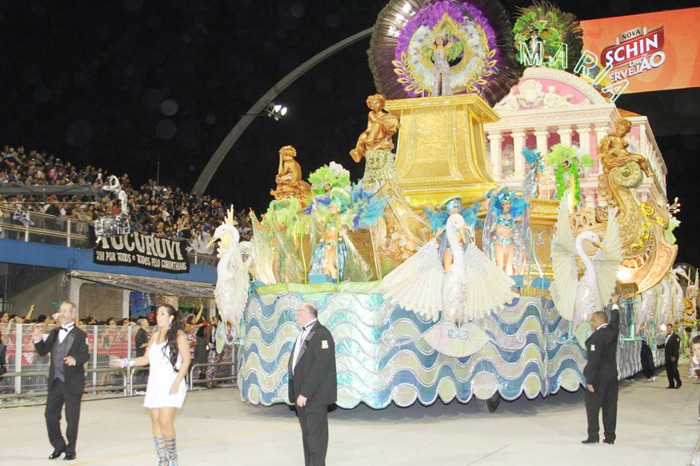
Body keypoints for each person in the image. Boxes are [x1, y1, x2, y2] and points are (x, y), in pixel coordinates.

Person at [111, 304, 190, 466]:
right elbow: (145, 359)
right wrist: (126, 362)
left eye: (162, 313)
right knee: (155, 420)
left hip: (171, 382)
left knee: (165, 422)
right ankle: (163, 459)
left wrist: (176, 383)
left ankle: (173, 457)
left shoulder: (179, 335)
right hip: (155, 383)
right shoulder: (154, 335)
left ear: (171, 317)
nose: (158, 316)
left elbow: (186, 360)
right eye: (157, 313)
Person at [32, 301, 89, 461]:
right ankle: (58, 446)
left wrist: (75, 359)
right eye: (61, 311)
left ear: (73, 314)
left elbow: (85, 355)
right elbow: (43, 351)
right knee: (50, 415)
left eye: (66, 311)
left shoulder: (80, 334)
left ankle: (71, 449)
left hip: (72, 382)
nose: (63, 313)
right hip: (56, 381)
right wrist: (37, 340)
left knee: (71, 419)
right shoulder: (55, 332)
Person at [288, 302, 337, 466]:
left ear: (307, 313)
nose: (297, 314)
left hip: (314, 396)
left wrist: (305, 393)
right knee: (307, 436)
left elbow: (320, 368)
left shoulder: (322, 334)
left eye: (298, 311)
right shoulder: (304, 334)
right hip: (301, 394)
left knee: (316, 437)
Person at [582, 294, 620, 445]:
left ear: (600, 320)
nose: (591, 323)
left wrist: (590, 380)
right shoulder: (613, 331)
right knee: (610, 407)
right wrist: (615, 304)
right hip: (612, 376)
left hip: (598, 378)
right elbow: (616, 320)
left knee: (592, 408)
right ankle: (610, 437)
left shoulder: (597, 337)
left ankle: (593, 436)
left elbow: (594, 361)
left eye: (592, 320)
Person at [657, 322, 682, 389]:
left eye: (669, 328)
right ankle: (671, 384)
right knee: (669, 371)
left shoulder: (676, 337)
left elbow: (676, 347)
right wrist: (658, 346)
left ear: (672, 328)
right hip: (667, 356)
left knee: (674, 370)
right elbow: (666, 345)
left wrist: (674, 356)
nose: (668, 329)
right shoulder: (667, 336)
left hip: (673, 356)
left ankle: (678, 382)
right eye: (667, 328)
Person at [134, 318, 150, 394]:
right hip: (141, 354)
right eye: (146, 322)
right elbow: (140, 345)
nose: (148, 323)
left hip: (145, 354)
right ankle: (139, 388)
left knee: (145, 371)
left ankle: (142, 388)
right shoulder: (140, 333)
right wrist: (150, 343)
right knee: (141, 372)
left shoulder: (145, 332)